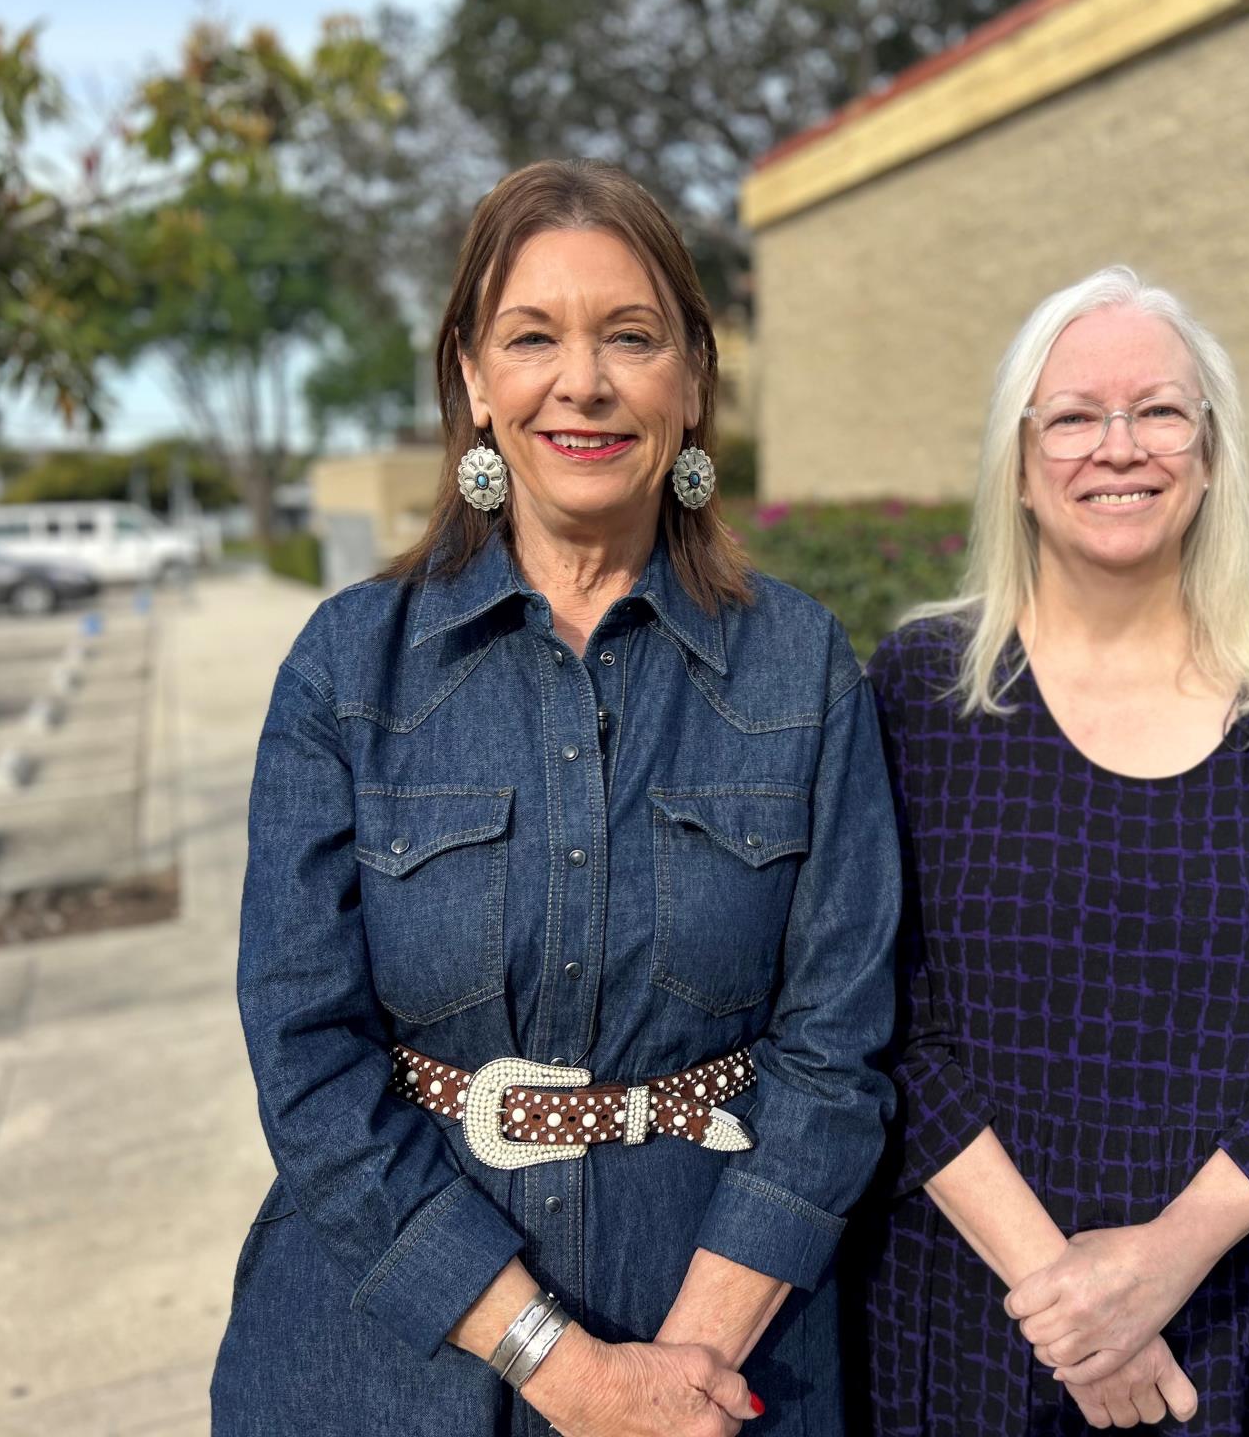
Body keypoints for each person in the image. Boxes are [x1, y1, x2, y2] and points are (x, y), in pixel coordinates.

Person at [211, 160, 899, 1437]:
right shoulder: (347, 668)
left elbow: (838, 1047)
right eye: (533, 337)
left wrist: (676, 1376)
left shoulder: (799, 667)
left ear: (692, 380)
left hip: (728, 1333)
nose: (582, 381)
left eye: (629, 337)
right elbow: (302, 1047)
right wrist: (565, 1372)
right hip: (390, 1343)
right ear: (474, 378)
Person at [854, 267, 1249, 1434]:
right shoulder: (918, 692)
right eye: (1072, 416)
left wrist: (1165, 1261)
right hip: (977, 1323)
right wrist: (1067, 1303)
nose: (1120, 447)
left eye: (1159, 410)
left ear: (1208, 454)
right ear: (1018, 461)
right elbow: (884, 1012)